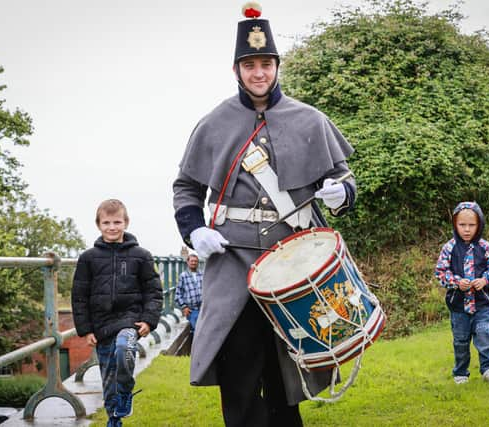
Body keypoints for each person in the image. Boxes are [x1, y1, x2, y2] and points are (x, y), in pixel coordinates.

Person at [172, 3, 357, 425]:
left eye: (266, 64)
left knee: (286, 375)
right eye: (250, 64)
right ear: (236, 70)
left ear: (277, 66)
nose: (259, 73)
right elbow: (186, 187)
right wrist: (194, 230)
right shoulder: (213, 123)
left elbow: (345, 179)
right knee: (238, 375)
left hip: (292, 261)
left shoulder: (309, 119)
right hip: (232, 260)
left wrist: (339, 192)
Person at [71, 199, 163, 427]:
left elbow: (153, 291)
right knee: (109, 378)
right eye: (107, 223)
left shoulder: (141, 255)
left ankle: (126, 389)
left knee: (124, 348)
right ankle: (115, 418)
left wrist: (149, 321)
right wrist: (86, 329)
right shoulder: (88, 258)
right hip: (101, 325)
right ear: (98, 225)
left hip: (129, 321)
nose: (112, 227)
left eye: (117, 222)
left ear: (126, 222)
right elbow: (79, 295)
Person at [434, 201, 489, 385]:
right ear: (455, 224)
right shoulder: (449, 248)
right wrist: (456, 282)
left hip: (481, 304)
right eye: (462, 225)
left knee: (483, 334)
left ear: (479, 225)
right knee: (461, 341)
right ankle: (461, 372)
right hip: (458, 306)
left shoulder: (485, 247)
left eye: (471, 225)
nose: (467, 229)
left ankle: (488, 369)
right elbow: (440, 272)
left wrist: (485, 279)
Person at [174, 253, 203, 335]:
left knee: (202, 330)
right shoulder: (183, 276)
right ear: (187, 262)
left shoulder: (202, 274)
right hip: (192, 310)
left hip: (203, 309)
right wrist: (184, 307)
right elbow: (178, 294)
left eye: (196, 261)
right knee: (198, 330)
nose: (194, 263)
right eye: (192, 261)